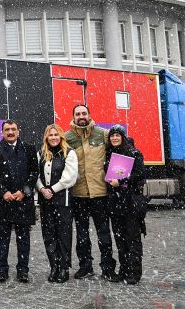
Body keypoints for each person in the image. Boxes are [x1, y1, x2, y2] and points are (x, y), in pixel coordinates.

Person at [65, 105, 119, 282]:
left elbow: (118, 153)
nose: (81, 116)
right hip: (78, 194)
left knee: (104, 233)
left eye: (84, 113)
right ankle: (85, 266)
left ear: (89, 115)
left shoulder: (102, 134)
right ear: (73, 116)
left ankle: (107, 268)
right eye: (78, 114)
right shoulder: (67, 138)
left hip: (100, 193)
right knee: (82, 235)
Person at [0, 119, 38, 283]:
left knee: (24, 239)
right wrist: (3, 192)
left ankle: (23, 270)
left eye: (13, 129)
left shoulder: (29, 149)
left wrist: (24, 191)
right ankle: (2, 270)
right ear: (2, 132)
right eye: (7, 129)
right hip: (4, 202)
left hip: (23, 202)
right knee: (2, 239)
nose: (10, 132)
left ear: (18, 131)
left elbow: (34, 172)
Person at [36, 124, 78, 283]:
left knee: (63, 235)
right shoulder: (40, 153)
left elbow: (69, 178)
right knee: (48, 235)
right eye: (50, 135)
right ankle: (53, 266)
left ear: (61, 137)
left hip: (63, 201)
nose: (53, 137)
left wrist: (51, 190)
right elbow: (36, 175)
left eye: (56, 135)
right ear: (46, 137)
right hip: (45, 201)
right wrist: (41, 189)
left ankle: (64, 268)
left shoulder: (69, 153)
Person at [105, 125, 146, 285]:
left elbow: (141, 174)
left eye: (117, 135)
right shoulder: (110, 153)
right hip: (115, 203)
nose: (114, 138)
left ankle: (134, 272)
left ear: (123, 137)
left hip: (130, 203)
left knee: (132, 239)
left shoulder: (134, 153)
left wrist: (121, 181)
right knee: (120, 239)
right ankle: (124, 270)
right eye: (112, 136)